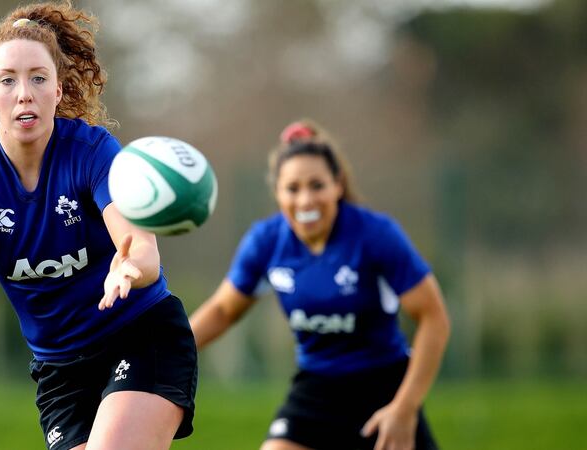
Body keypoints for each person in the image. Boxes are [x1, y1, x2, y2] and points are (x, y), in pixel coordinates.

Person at [0, 2, 197, 449]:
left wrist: (129, 265)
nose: (24, 93)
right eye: (8, 80)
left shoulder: (94, 153)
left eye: (38, 77)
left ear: (58, 90)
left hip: (140, 334)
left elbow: (142, 251)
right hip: (60, 370)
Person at [189, 119, 450, 450]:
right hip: (317, 387)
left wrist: (405, 408)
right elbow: (224, 310)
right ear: (277, 193)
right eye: (293, 189)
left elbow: (434, 317)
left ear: (337, 185)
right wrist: (169, 348)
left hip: (384, 386)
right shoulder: (266, 241)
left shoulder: (375, 235)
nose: (306, 201)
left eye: (317, 185)